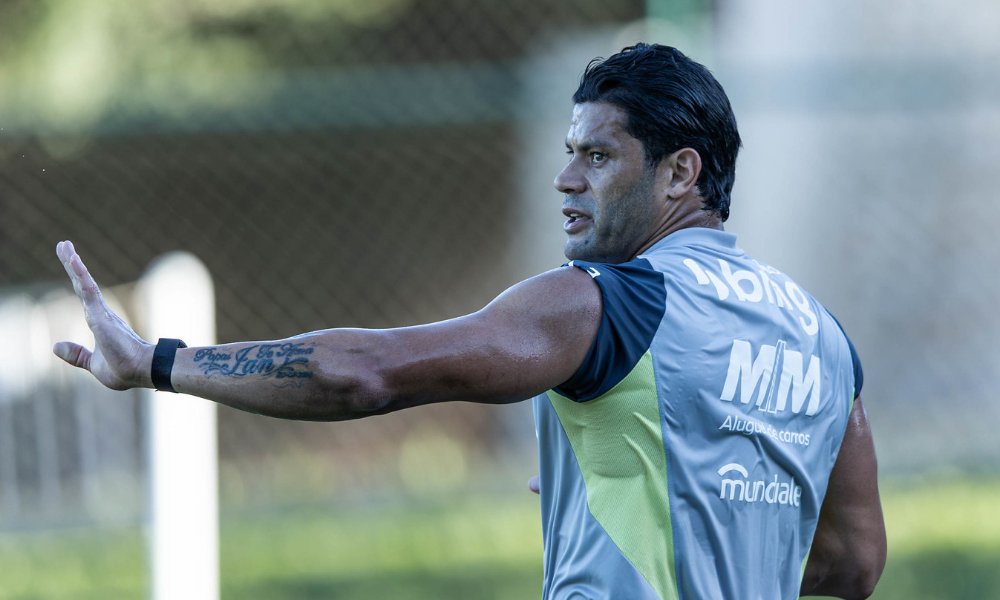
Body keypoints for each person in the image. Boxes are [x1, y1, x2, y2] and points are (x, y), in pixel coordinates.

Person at [53, 43, 886, 599]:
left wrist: (156, 361)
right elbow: (854, 563)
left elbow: (363, 373)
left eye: (598, 156)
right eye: (570, 150)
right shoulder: (824, 338)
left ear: (680, 173)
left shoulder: (611, 301)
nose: (565, 178)